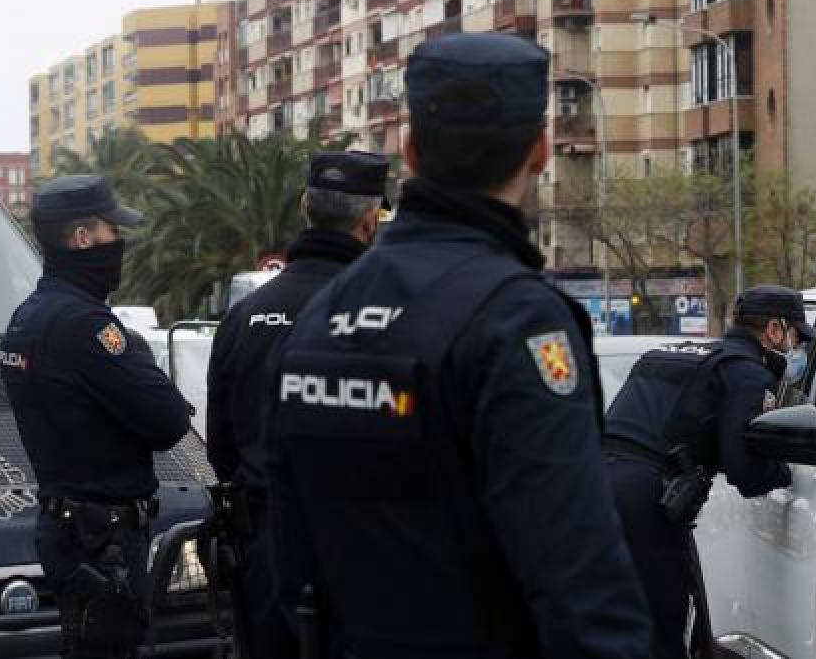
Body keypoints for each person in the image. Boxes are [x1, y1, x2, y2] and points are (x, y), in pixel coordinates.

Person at [265, 32, 652, 659]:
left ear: (411, 152)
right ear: (541, 150)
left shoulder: (319, 319)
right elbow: (580, 580)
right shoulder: (518, 322)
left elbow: (287, 559)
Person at [205, 150, 390, 656]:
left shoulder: (245, 315)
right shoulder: (387, 310)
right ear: (371, 219)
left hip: (264, 544)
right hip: (364, 551)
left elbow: (221, 443)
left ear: (306, 208)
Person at [0, 174, 192, 658]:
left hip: (67, 527)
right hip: (101, 542)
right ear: (82, 238)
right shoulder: (87, 326)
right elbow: (168, 422)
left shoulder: (26, 318)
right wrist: (141, 357)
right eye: (112, 231)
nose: (119, 243)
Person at [604, 285, 816, 659]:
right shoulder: (748, 374)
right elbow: (744, 469)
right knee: (663, 617)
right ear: (774, 328)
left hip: (594, 485)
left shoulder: (669, 354)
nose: (794, 347)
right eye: (795, 336)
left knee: (609, 615)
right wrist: (783, 473)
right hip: (646, 499)